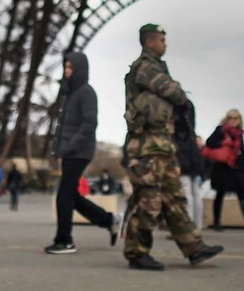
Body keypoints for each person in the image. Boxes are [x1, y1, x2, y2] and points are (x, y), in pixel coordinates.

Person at [122, 24, 223, 271]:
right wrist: (179, 93)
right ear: (149, 42)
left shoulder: (156, 68)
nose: (164, 44)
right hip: (147, 146)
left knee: (174, 199)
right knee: (148, 200)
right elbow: (175, 93)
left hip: (163, 146)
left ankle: (193, 247)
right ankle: (137, 253)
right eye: (161, 40)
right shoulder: (144, 67)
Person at [45, 52, 121, 255]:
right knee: (71, 195)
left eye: (70, 67)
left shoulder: (86, 92)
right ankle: (109, 220)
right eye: (65, 67)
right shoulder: (70, 93)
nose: (67, 71)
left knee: (63, 196)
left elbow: (90, 123)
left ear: (79, 69)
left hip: (78, 152)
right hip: (70, 151)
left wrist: (70, 146)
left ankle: (65, 241)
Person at [205, 109, 244, 232]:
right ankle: (217, 221)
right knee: (220, 194)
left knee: (242, 194)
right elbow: (209, 142)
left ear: (239, 120)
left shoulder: (239, 134)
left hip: (236, 168)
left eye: (236, 118)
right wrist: (224, 142)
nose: (233, 120)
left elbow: (242, 152)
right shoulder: (220, 130)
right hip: (222, 167)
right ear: (226, 119)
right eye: (231, 118)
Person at [174, 100, 205, 226]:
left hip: (183, 154)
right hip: (192, 154)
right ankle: (197, 224)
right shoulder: (191, 130)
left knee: (187, 191)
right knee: (195, 192)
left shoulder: (179, 130)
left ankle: (189, 224)